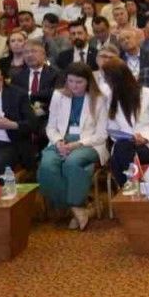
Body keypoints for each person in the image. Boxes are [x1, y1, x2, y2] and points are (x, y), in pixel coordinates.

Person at [39, 62, 107, 231]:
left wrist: (77, 144)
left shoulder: (99, 99)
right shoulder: (58, 95)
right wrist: (58, 141)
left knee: (72, 162)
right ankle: (78, 208)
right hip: (61, 141)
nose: (74, 86)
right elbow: (51, 127)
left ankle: (75, 205)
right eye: (70, 81)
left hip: (89, 142)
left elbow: (102, 134)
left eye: (79, 82)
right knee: (47, 165)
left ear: (88, 82)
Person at [100, 61, 149, 191]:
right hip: (125, 144)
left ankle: (128, 189)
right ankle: (133, 187)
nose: (106, 83)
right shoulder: (110, 98)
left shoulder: (147, 93)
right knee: (122, 147)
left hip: (148, 145)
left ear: (117, 79)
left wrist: (144, 138)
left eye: (107, 79)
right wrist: (125, 137)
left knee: (117, 156)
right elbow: (112, 129)